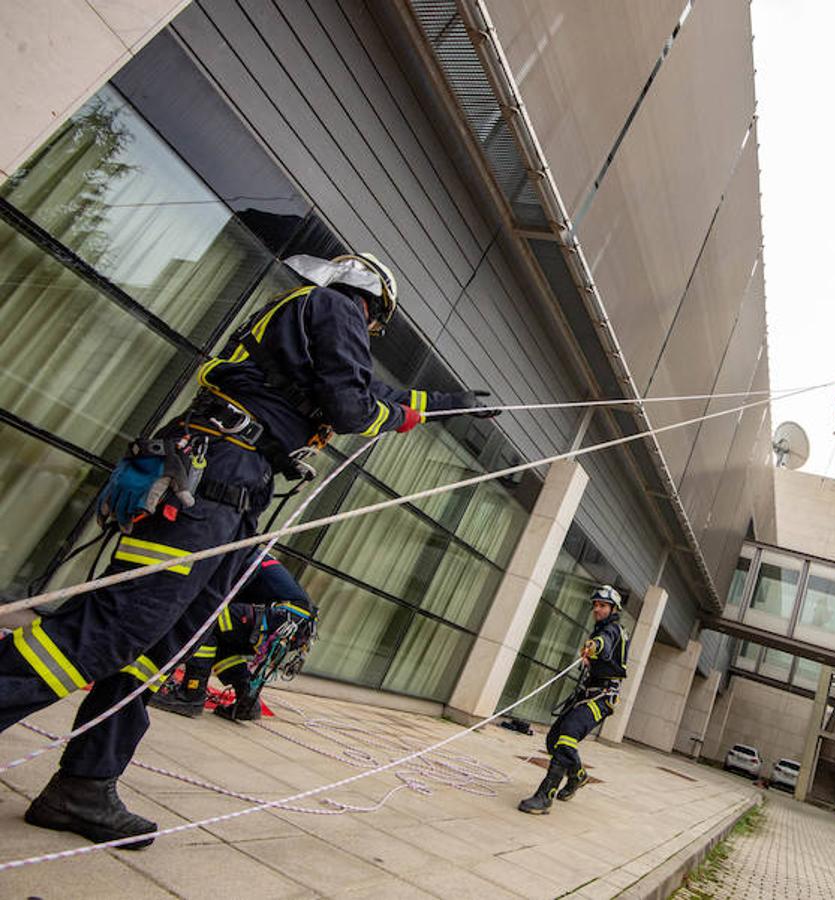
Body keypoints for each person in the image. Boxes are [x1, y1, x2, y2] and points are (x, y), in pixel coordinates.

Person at [0, 252, 497, 849]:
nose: (368, 337)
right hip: (212, 481)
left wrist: (450, 404)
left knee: (160, 644)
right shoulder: (336, 306)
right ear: (373, 304)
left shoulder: (311, 316)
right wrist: (391, 415)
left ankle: (84, 785)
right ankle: (77, 777)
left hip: (234, 491)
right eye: (374, 328)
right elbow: (354, 408)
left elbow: (375, 392)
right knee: (114, 628)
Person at [149, 554, 315, 721]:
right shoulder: (252, 553)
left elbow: (216, 593)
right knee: (221, 644)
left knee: (205, 621)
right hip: (293, 624)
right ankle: (247, 702)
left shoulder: (241, 553)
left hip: (280, 618)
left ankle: (191, 694)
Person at [518, 585, 629, 815]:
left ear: (613, 609)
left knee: (567, 736)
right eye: (595, 605)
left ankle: (544, 796)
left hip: (602, 698)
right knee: (554, 740)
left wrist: (594, 647)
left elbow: (604, 645)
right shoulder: (601, 629)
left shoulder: (613, 630)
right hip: (587, 693)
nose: (597, 609)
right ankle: (577, 775)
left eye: (603, 605)